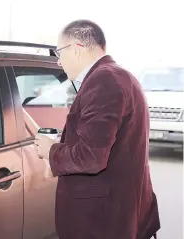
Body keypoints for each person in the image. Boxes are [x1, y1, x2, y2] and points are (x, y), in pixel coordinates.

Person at [34, 20, 160, 239]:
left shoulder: (104, 79)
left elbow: (91, 157)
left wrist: (51, 150)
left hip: (101, 222)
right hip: (117, 212)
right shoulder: (120, 76)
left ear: (76, 48)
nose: (58, 62)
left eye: (58, 53)